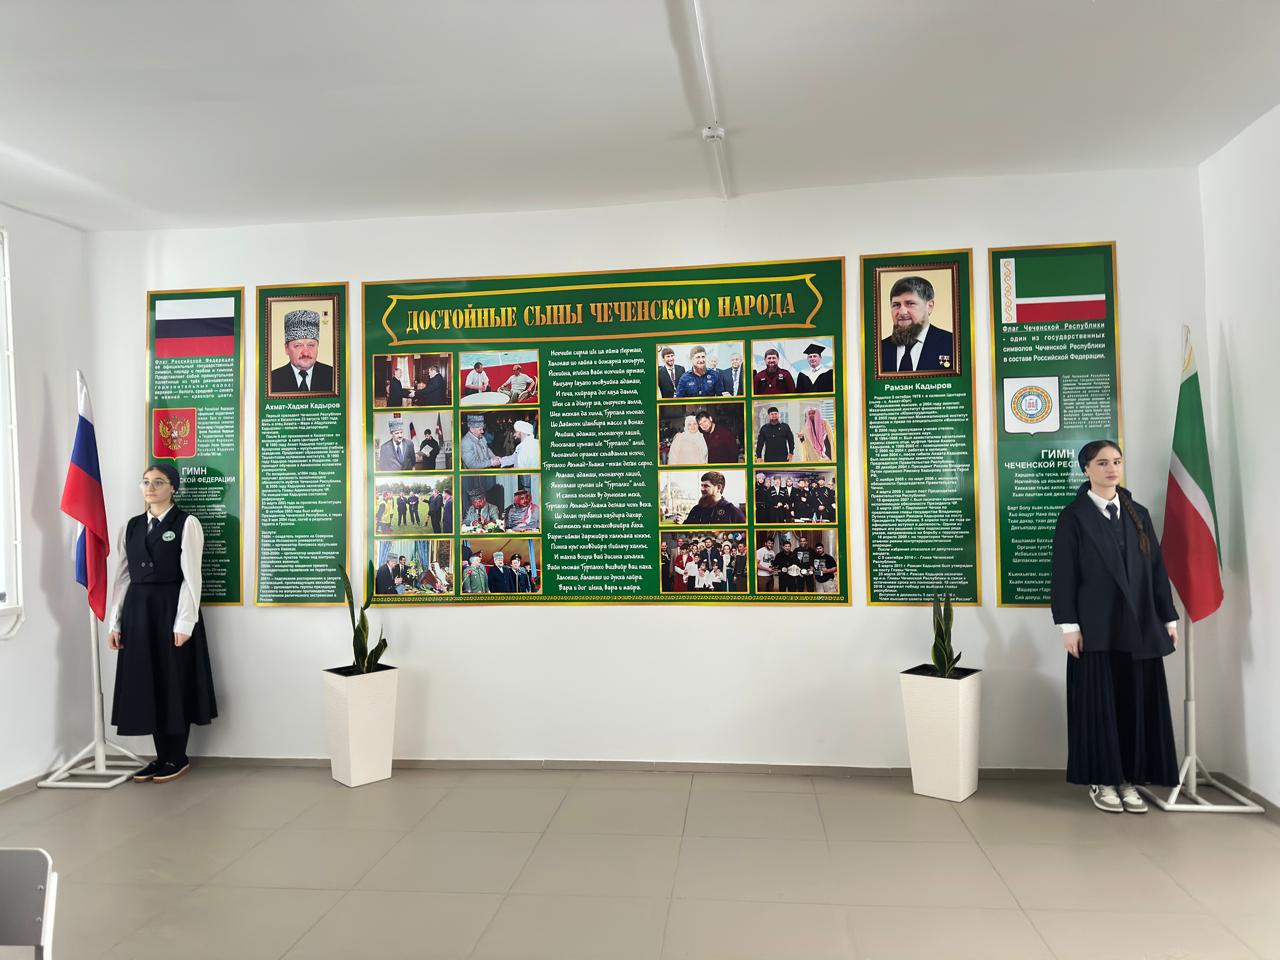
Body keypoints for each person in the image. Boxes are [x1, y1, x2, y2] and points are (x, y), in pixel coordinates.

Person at [1052, 440, 1179, 813]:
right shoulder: (1073, 517)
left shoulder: (1138, 513)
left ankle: (1128, 779)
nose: (1112, 468)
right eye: (1103, 462)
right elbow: (1063, 575)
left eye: (1117, 461)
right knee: (1099, 707)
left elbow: (1156, 570)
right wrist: (1069, 626)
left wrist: (1167, 617)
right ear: (1086, 469)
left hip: (1139, 627)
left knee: (1133, 704)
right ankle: (1102, 779)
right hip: (1095, 629)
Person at [108, 464, 216, 783]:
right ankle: (160, 757)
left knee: (174, 679)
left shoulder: (186, 523)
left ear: (173, 488)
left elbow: (191, 577)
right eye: (145, 482)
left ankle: (177, 757)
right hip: (138, 613)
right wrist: (115, 623)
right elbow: (122, 577)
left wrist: (185, 622)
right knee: (148, 680)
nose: (150, 488)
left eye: (158, 482)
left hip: (171, 609)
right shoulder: (131, 526)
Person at [879, 276, 955, 374]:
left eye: (910, 303)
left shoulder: (953, 345)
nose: (902, 312)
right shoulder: (878, 350)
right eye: (896, 305)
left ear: (929, 306)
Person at [270, 309, 335, 393]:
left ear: (317, 346)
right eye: (298, 346)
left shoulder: (333, 376)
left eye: (311, 345)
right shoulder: (272, 380)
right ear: (286, 349)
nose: (306, 353)